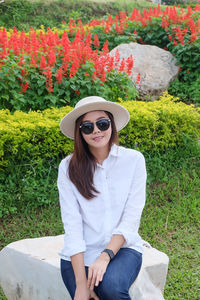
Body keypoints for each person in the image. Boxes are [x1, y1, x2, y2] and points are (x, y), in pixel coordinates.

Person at [57, 96, 147, 300]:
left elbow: (131, 219)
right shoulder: (68, 167)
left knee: (111, 288)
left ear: (112, 125)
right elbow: (72, 225)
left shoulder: (134, 161)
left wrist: (105, 256)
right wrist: (81, 284)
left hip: (122, 249)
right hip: (80, 256)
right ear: (80, 133)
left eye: (102, 123)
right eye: (87, 127)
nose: (96, 130)